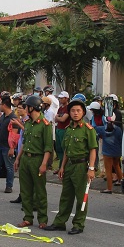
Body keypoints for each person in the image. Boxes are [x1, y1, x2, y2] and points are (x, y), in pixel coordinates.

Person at [44, 97, 98, 235]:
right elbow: (67, 151)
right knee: (66, 196)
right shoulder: (68, 129)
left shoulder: (88, 129)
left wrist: (91, 168)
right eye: (73, 110)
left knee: (81, 197)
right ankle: (59, 222)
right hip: (69, 166)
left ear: (83, 113)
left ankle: (78, 224)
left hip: (81, 166)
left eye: (78, 110)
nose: (75, 113)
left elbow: (93, 149)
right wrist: (62, 167)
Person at [15, 95, 53, 229]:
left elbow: (48, 147)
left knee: (40, 190)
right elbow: (24, 143)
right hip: (25, 158)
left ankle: (42, 219)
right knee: (25, 190)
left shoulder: (45, 125)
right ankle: (28, 217)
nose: (25, 109)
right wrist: (18, 158)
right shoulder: (28, 123)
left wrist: (44, 164)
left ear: (32, 107)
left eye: (26, 106)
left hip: (38, 159)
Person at [94, 115, 123, 194]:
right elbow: (120, 140)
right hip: (117, 152)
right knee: (117, 166)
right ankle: (122, 181)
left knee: (108, 171)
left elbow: (94, 128)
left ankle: (109, 188)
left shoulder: (102, 129)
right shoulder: (118, 129)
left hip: (107, 153)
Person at [54, 91, 70, 165]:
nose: (60, 100)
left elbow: (63, 119)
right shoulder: (60, 108)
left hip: (64, 129)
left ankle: (64, 165)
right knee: (58, 148)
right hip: (58, 128)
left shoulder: (68, 108)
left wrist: (59, 118)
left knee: (64, 148)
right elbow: (55, 118)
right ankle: (60, 165)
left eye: (62, 98)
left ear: (66, 98)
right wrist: (59, 118)